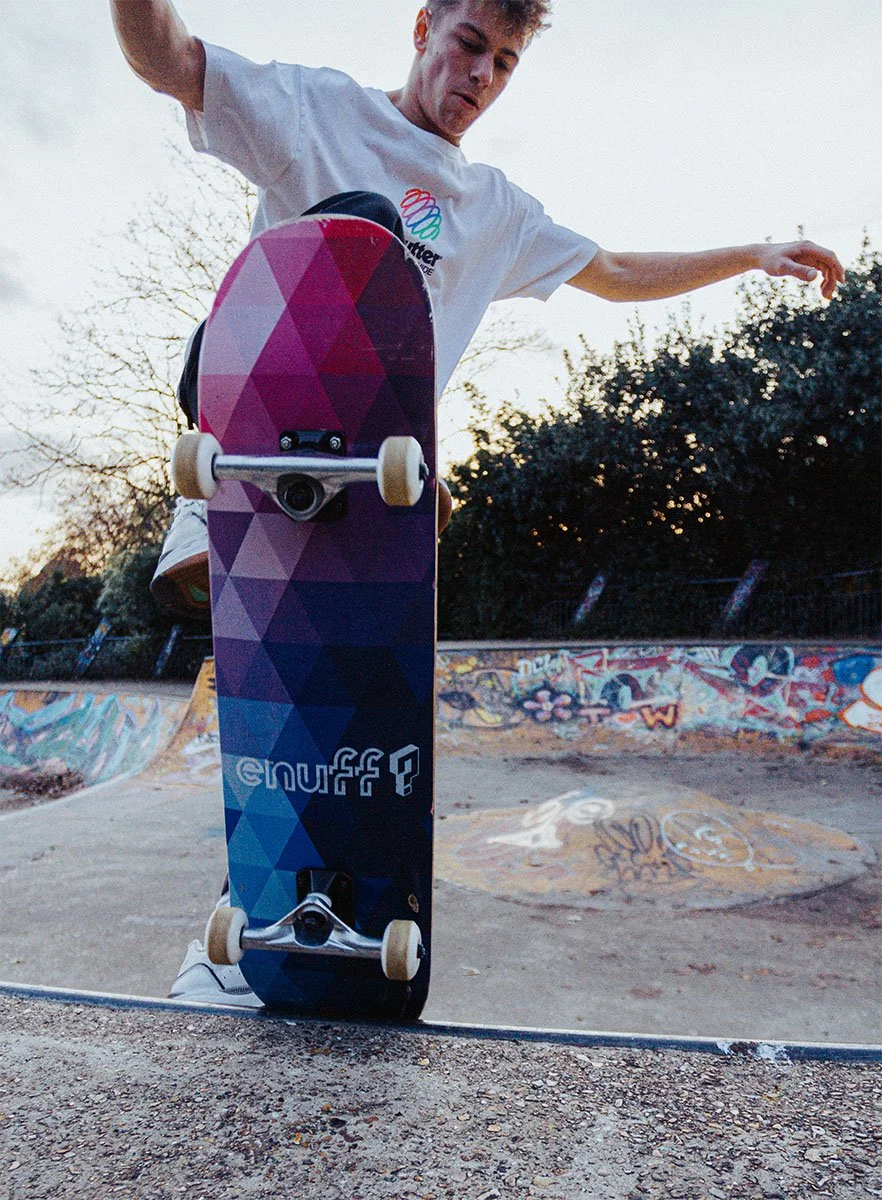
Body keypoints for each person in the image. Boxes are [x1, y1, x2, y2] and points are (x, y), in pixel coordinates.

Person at [110, 0, 844, 1003]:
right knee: (360, 224)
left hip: (379, 496)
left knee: (333, 735)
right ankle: (213, 511)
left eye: (504, 63)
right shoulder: (313, 112)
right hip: (260, 459)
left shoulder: (494, 206)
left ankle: (292, 944)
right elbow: (169, 60)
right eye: (468, 47)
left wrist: (750, 254)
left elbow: (617, 271)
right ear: (422, 29)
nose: (481, 78)